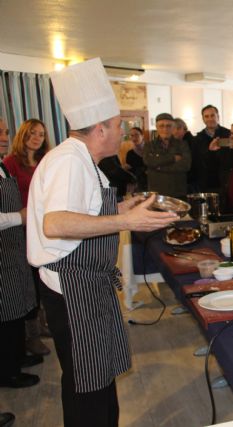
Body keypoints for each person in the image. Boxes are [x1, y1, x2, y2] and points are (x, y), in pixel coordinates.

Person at [26, 58, 178, 427]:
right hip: (72, 286)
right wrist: (127, 220)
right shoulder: (68, 162)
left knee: (96, 378)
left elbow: (88, 210)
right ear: (99, 129)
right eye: (118, 126)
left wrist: (128, 205)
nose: (123, 131)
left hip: (87, 283)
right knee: (86, 385)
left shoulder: (83, 160)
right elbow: (57, 222)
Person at [3, 118, 51, 356]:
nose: (37, 138)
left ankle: (42, 324)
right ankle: (30, 335)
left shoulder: (45, 161)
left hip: (44, 228)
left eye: (41, 134)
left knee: (43, 280)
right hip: (20, 230)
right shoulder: (11, 163)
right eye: (32, 133)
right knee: (28, 283)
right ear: (23, 135)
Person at [0, 117, 39, 391]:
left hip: (13, 249)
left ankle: (17, 357)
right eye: (1, 132)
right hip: (4, 254)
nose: (6, 136)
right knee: (6, 315)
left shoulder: (2, 167)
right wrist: (20, 216)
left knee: (17, 310)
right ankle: (8, 372)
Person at [143, 113, 191, 198]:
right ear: (157, 128)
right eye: (161, 126)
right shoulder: (149, 145)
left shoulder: (182, 144)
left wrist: (159, 167)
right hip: (156, 193)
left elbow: (185, 165)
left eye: (168, 126)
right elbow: (149, 161)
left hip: (178, 192)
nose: (165, 129)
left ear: (173, 128)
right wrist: (172, 158)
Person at [190, 105, 230, 192]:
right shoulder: (197, 139)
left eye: (212, 115)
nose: (210, 119)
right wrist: (209, 151)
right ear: (203, 119)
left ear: (218, 116)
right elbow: (196, 161)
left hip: (226, 181)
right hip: (206, 183)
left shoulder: (228, 134)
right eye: (206, 116)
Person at [125, 127, 146, 191]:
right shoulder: (130, 153)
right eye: (131, 135)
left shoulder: (150, 149)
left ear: (142, 136)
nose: (134, 138)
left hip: (152, 183)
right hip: (138, 185)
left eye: (136, 135)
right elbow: (131, 172)